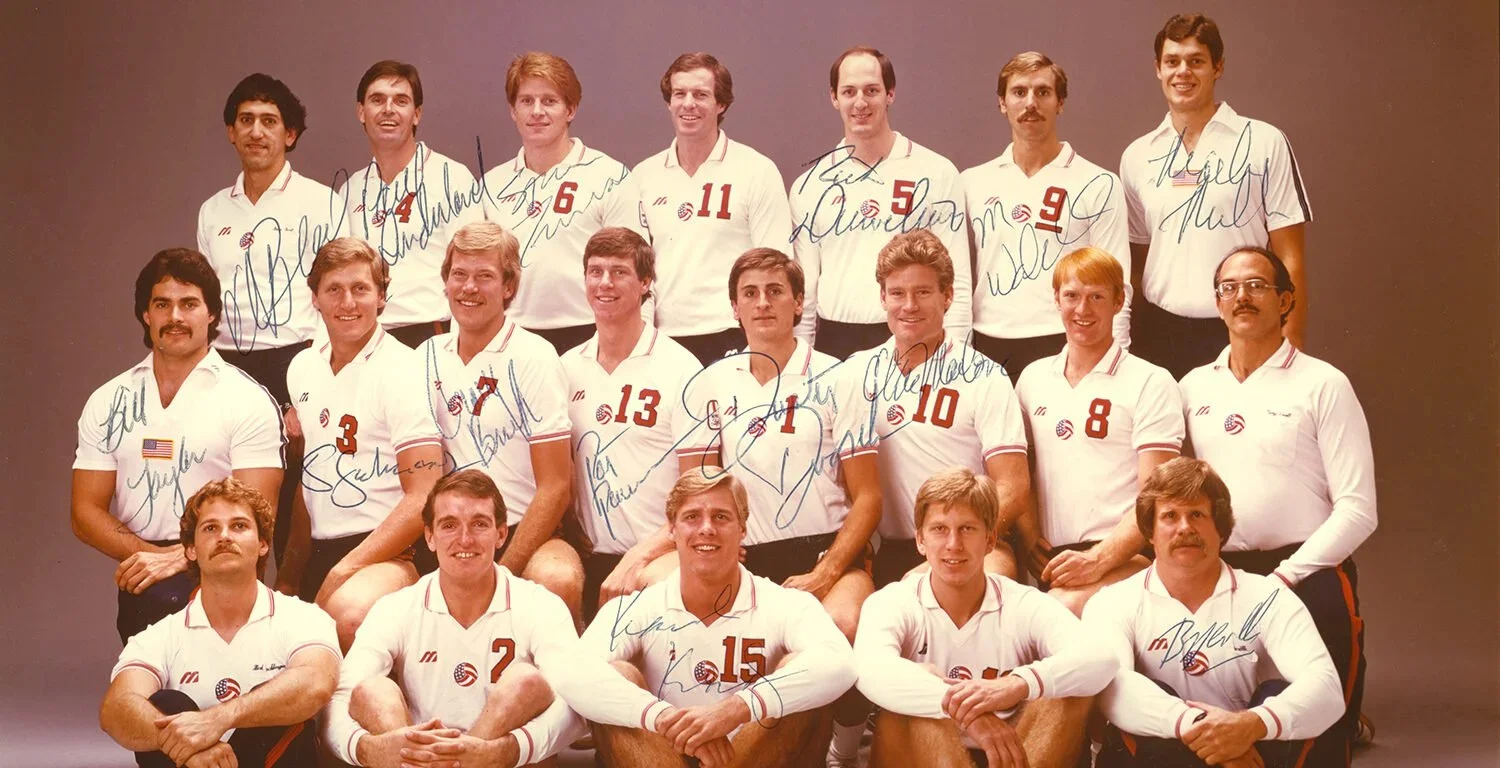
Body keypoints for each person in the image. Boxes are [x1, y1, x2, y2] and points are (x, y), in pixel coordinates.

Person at [325, 470, 678, 768]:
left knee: (525, 681)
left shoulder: (538, 604)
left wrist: (502, 750)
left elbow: (577, 704)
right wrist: (369, 748)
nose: (464, 539)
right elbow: (338, 703)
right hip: (420, 760)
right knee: (371, 690)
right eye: (449, 525)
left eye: (479, 524)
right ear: (429, 536)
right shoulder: (397, 608)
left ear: (501, 533)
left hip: (508, 760)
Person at [681, 247, 882, 764]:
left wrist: (827, 570)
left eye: (775, 291)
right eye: (750, 293)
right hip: (746, 553)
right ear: (734, 307)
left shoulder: (840, 377)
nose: (763, 303)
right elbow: (695, 488)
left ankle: (844, 748)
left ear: (798, 303)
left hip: (826, 550)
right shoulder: (711, 382)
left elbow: (869, 497)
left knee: (843, 624)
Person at [1179, 246, 1375, 764]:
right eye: (1230, 287)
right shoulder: (1192, 386)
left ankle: (1346, 720)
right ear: (1217, 303)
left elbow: (1359, 508)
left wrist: (1284, 579)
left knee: (1320, 734)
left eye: (1257, 286)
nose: (1241, 296)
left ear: (1286, 300)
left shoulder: (1324, 383)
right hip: (1220, 571)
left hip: (1307, 570)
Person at [72, 248, 283, 643]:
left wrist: (184, 556)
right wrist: (151, 556)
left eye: (189, 304)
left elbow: (260, 512)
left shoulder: (247, 398)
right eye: (162, 304)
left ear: (212, 314)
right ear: (145, 314)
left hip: (225, 560)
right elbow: (84, 511)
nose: (175, 318)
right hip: (147, 570)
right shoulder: (108, 399)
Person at [583, 471, 857, 768]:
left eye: (721, 517)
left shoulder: (785, 603)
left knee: (801, 672)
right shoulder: (637, 607)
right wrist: (660, 717)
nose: (706, 529)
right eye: (691, 517)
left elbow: (841, 663)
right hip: (660, 756)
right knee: (616, 675)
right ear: (672, 529)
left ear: (742, 529)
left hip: (757, 756)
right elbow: (573, 673)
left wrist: (736, 710)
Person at [1087, 457, 1345, 767]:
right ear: (1150, 532)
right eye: (1170, 516)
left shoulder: (1268, 596)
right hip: (1170, 756)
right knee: (1143, 699)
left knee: (1279, 694)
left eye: (1197, 514)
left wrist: (1251, 725)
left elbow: (1326, 688)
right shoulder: (1113, 602)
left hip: (1254, 751)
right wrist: (1207, 733)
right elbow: (1112, 689)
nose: (1185, 528)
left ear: (1220, 530)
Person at [855, 467, 1114, 768]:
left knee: (1069, 691)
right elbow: (868, 669)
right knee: (907, 697)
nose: (953, 544)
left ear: (990, 540)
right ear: (920, 541)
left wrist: (1017, 684)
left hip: (1015, 752)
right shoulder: (893, 601)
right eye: (939, 529)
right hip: (927, 751)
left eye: (967, 528)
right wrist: (966, 712)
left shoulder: (1021, 603)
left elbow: (1102, 659)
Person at [1121, 13, 1313, 378]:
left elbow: (1290, 254)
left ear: (1218, 67)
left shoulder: (1263, 142)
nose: (1183, 72)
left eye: (1196, 61)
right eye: (1172, 62)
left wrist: (1293, 343)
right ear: (1157, 69)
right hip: (1157, 336)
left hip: (1242, 327)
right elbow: (1135, 262)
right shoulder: (1136, 156)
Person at [197, 72, 337, 565]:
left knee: (296, 505)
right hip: (230, 365)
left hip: (297, 361)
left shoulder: (322, 203)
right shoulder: (213, 211)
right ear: (231, 131)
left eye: (270, 122)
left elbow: (336, 300)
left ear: (290, 134)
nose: (257, 131)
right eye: (246, 120)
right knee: (233, 505)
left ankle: (294, 612)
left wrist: (308, 389)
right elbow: (206, 305)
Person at [101, 478, 340, 768]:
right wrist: (192, 748)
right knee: (166, 705)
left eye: (239, 526)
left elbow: (315, 683)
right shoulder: (160, 636)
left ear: (263, 543)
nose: (225, 536)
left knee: (280, 704)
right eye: (210, 528)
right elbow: (116, 708)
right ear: (190, 550)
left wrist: (217, 719)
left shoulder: (304, 618)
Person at [839, 230, 1032, 587]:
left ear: (947, 296)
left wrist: (955, 543)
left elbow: (1014, 487)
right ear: (882, 297)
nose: (909, 305)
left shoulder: (983, 375)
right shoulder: (855, 372)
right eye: (897, 293)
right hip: (895, 548)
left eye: (923, 292)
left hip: (973, 545)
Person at [281, 237, 443, 649]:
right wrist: (287, 577)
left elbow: (423, 495)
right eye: (334, 289)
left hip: (392, 551)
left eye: (360, 289)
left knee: (346, 615)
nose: (347, 302)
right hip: (322, 545)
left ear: (382, 297)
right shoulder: (302, 367)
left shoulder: (403, 369)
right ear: (314, 298)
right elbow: (310, 481)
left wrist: (343, 570)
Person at [420, 222, 585, 620]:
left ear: (509, 286)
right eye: (459, 275)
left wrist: (502, 574)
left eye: (484, 277)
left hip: (521, 531)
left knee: (557, 579)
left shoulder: (534, 357)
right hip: (446, 536)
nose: (469, 288)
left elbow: (556, 487)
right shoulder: (424, 356)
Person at [1015, 246, 1182, 615]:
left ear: (1119, 301)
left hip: (1126, 554)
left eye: (1096, 297)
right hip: (1057, 560)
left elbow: (1155, 496)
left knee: (1059, 612)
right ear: (1056, 299)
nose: (1082, 309)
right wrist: (1028, 538)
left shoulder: (1151, 381)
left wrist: (1098, 559)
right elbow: (1019, 470)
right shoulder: (1032, 379)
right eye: (1072, 296)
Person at [561, 227, 717, 620]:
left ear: (645, 282)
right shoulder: (565, 368)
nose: (605, 283)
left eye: (619, 272)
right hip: (587, 554)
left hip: (658, 555)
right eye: (595, 272)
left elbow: (700, 493)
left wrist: (640, 555)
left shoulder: (681, 368)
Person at [790, 46, 971, 359]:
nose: (860, 102)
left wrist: (954, 358)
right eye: (849, 91)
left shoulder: (937, 173)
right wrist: (802, 360)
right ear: (834, 98)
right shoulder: (810, 185)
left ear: (890, 94)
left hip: (914, 334)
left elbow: (958, 280)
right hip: (835, 342)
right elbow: (805, 294)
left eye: (871, 90)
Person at [962, 52, 1130, 380]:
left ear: (1060, 103)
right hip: (988, 341)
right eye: (1019, 92)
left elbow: (1117, 281)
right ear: (1002, 103)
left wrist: (1117, 358)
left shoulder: (1099, 183)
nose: (1031, 103)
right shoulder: (971, 182)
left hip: (1064, 340)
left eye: (1042, 92)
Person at [632, 52, 794, 364]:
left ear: (721, 104)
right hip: (663, 340)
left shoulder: (756, 170)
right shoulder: (643, 176)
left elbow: (776, 265)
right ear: (669, 102)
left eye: (701, 94)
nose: (688, 104)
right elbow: (638, 271)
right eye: (679, 94)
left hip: (733, 333)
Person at [481, 52, 646, 355]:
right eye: (526, 101)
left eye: (549, 101)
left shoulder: (609, 176)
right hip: (512, 338)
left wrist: (634, 348)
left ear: (570, 109)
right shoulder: (492, 184)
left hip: (590, 333)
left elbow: (638, 268)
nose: (537, 111)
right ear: (512, 111)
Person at [341, 59, 484, 348]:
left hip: (432, 335)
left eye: (401, 101)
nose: (388, 109)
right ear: (361, 111)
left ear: (416, 114)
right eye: (377, 100)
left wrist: (460, 348)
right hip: (367, 340)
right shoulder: (349, 190)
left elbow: (473, 268)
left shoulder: (451, 178)